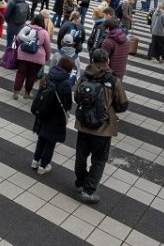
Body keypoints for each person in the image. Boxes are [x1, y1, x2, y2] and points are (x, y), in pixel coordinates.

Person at [73, 48, 129, 204]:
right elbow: (123, 104)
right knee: (99, 159)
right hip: (103, 128)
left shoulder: (84, 76)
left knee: (81, 155)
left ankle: (80, 182)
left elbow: (77, 96)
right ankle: (89, 190)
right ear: (107, 61)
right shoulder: (113, 80)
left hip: (83, 124)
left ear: (92, 60)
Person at [30, 55, 75, 175]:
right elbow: (67, 103)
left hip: (43, 113)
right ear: (69, 69)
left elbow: (40, 91)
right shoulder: (66, 83)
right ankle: (43, 166)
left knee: (41, 139)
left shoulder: (49, 75)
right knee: (50, 143)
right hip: (55, 117)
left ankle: (35, 161)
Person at [12, 13, 52, 100]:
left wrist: (20, 48)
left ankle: (16, 93)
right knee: (32, 76)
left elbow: (17, 39)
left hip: (22, 55)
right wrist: (47, 57)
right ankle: (27, 93)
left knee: (20, 73)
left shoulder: (27, 28)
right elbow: (48, 47)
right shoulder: (44, 32)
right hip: (37, 58)